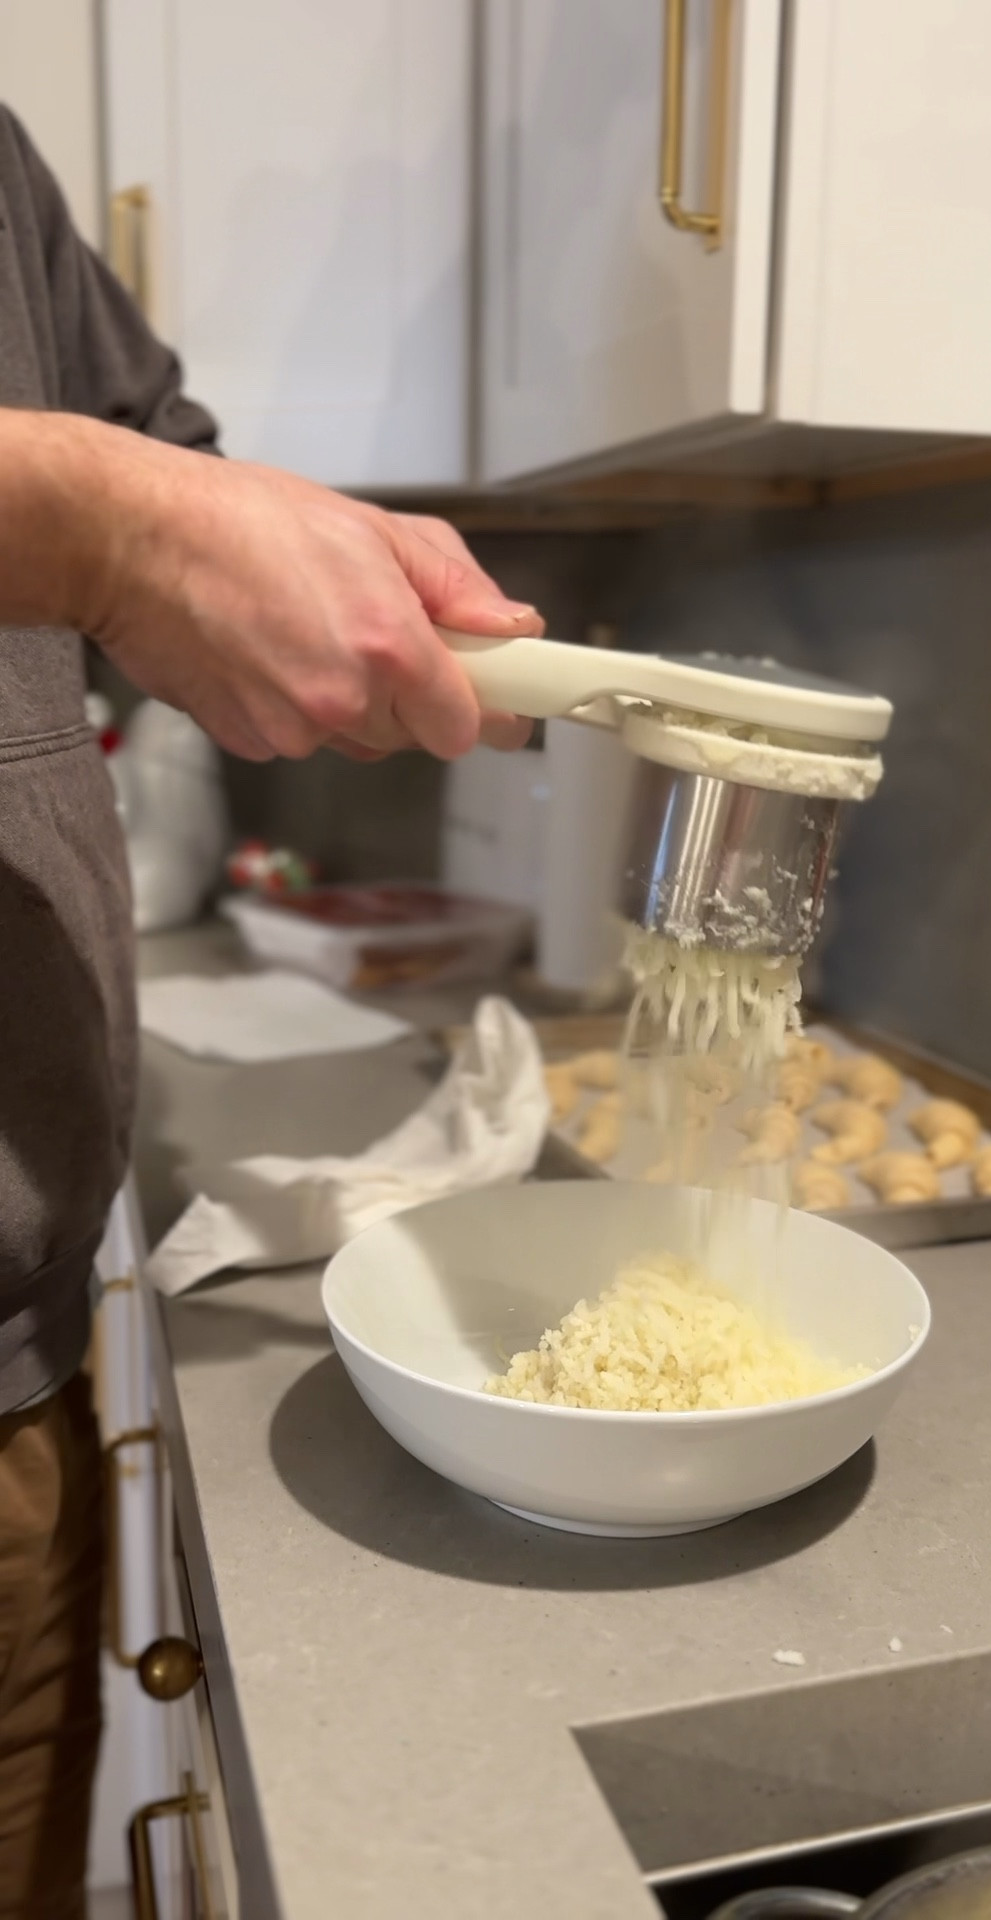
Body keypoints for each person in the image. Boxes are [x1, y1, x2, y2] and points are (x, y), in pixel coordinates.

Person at [0, 104, 541, 1917]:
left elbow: (159, 465)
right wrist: (114, 532)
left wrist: (248, 548)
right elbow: (123, 515)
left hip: (27, 1342)